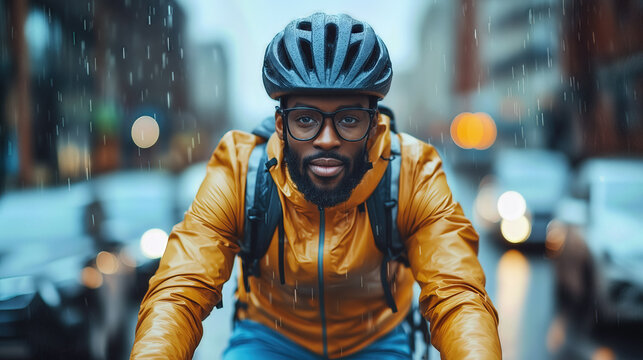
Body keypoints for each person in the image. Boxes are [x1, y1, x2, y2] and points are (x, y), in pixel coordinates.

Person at [131, 12, 501, 359]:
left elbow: (458, 296)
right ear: (280, 125)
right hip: (268, 338)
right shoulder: (241, 169)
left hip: (377, 340)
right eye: (306, 119)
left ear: (374, 126)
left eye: (349, 119)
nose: (326, 139)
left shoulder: (412, 172)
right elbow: (179, 291)